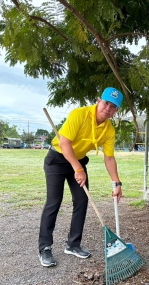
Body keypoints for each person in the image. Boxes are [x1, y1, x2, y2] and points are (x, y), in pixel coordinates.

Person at [38, 87, 124, 267]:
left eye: (113, 107)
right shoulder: (79, 114)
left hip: (78, 162)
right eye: (106, 103)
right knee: (54, 201)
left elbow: (109, 158)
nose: (107, 108)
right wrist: (78, 169)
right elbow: (64, 142)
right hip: (58, 159)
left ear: (116, 111)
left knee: (82, 200)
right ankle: (45, 248)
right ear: (99, 100)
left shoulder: (108, 131)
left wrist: (116, 183)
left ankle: (73, 244)